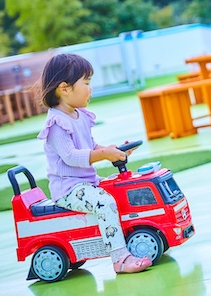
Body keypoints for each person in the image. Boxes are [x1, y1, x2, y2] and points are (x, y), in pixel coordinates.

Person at [36, 53, 152, 274]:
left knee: (118, 190)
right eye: (86, 83)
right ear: (65, 88)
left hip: (87, 182)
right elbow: (71, 156)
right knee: (105, 203)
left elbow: (91, 145)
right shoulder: (56, 123)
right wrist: (104, 154)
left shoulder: (79, 115)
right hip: (68, 188)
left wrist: (113, 150)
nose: (91, 89)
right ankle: (120, 258)